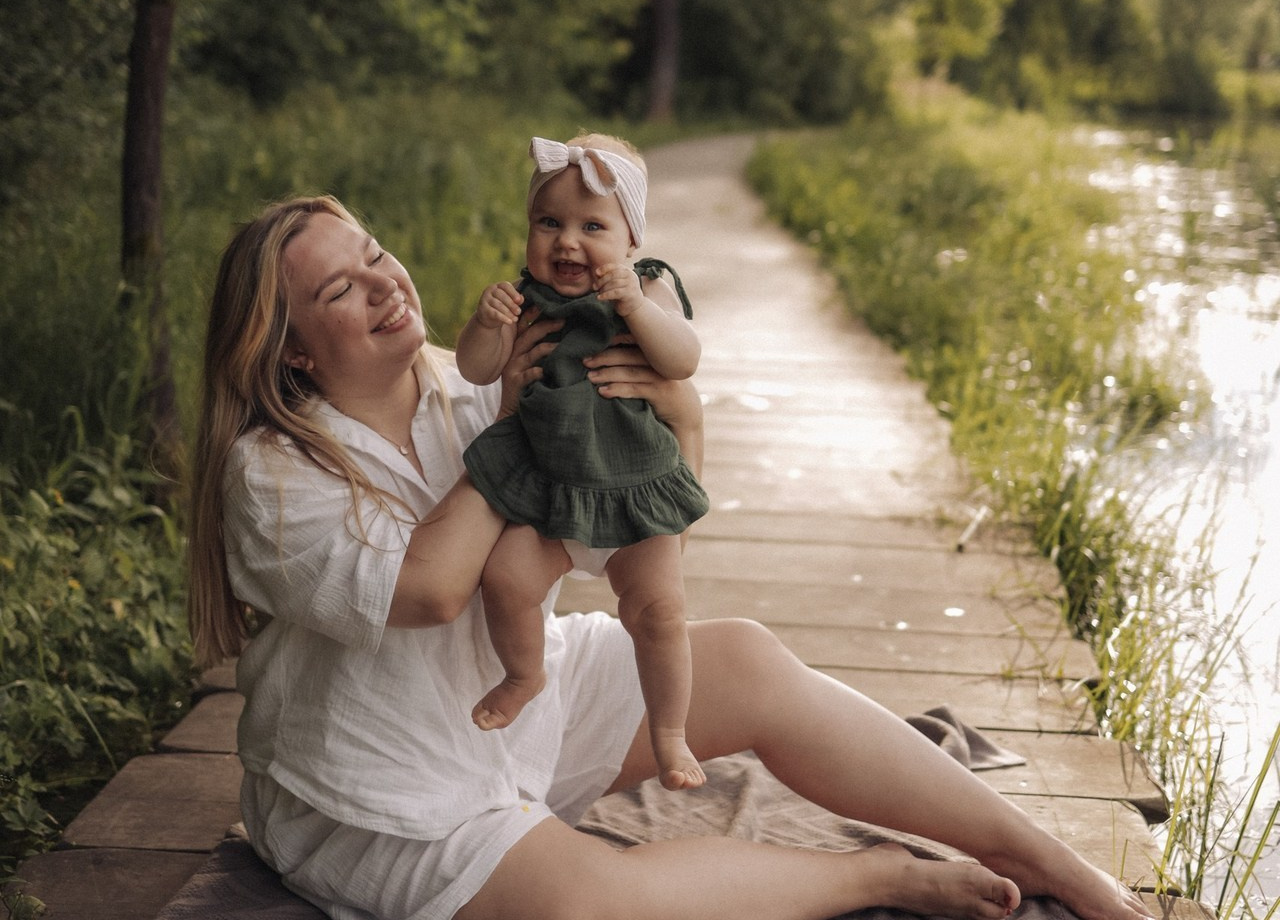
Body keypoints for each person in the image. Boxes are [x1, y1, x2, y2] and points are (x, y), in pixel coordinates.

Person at [187, 192, 1154, 920]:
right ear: (295, 350)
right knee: (585, 906)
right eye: (340, 290)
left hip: (513, 708)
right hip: (384, 788)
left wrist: (673, 411)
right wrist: (523, 432)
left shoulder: (458, 380)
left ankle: (1055, 863)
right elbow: (435, 588)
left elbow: (631, 525)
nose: (387, 283)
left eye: (377, 254)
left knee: (744, 658)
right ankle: (878, 876)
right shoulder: (272, 474)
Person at [455, 134, 708, 790]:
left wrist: (631, 306)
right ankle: (524, 673)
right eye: (549, 223)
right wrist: (487, 327)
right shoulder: (524, 301)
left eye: (592, 226)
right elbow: (475, 368)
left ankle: (670, 732)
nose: (567, 242)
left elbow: (681, 359)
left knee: (661, 612)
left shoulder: (647, 291)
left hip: (632, 489)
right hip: (551, 493)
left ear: (631, 242)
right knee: (506, 580)